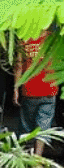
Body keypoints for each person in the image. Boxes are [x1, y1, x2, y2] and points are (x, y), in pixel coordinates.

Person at [13, 31, 58, 160]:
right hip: (49, 89)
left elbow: (18, 66)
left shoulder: (24, 39)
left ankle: (27, 159)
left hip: (29, 90)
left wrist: (16, 88)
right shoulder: (54, 38)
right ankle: (37, 160)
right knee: (43, 125)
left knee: (27, 126)